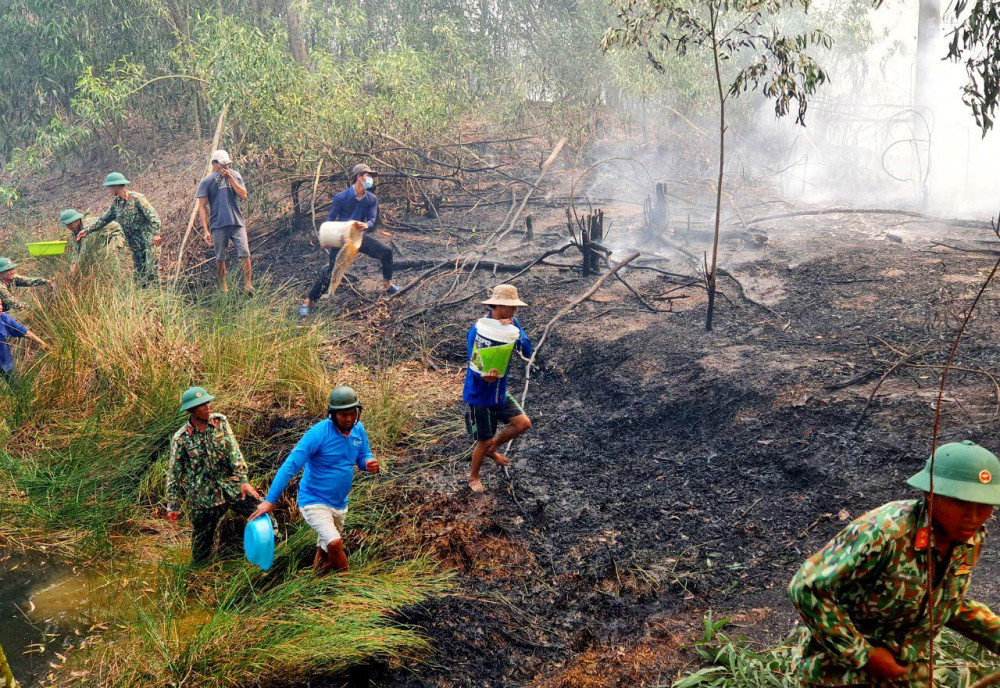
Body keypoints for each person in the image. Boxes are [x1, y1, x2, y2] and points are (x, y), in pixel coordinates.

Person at [789, 440, 1000, 687]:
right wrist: (863, 655)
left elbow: (945, 601)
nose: (973, 518)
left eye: (984, 506)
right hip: (838, 671)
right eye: (961, 504)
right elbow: (805, 588)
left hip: (905, 670)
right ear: (930, 495)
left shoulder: (970, 538)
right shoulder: (884, 533)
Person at [248, 386, 381, 573]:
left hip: (340, 503)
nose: (349, 419)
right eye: (344, 415)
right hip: (313, 501)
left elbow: (362, 456)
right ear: (333, 414)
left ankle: (315, 578)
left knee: (326, 550)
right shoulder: (318, 434)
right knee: (334, 543)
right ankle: (347, 584)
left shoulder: (358, 430)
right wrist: (270, 501)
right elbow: (290, 466)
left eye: (353, 413)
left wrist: (368, 464)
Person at [165, 386, 262, 566]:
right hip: (203, 499)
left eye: (207, 402)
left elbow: (234, 452)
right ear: (191, 411)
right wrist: (173, 505)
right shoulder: (181, 438)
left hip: (231, 488)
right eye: (201, 405)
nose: (207, 407)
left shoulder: (220, 422)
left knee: (262, 512)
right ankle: (199, 581)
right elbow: (174, 474)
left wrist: (244, 481)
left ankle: (267, 560)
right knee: (202, 550)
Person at [299, 163, 398, 316]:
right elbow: (330, 219)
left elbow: (372, 221)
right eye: (368, 175)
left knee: (386, 252)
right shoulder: (341, 197)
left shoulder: (371, 198)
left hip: (359, 236)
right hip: (341, 238)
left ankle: (387, 285)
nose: (371, 179)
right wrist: (325, 238)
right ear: (359, 177)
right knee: (332, 272)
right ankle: (308, 301)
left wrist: (365, 225)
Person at [463, 284, 532, 493]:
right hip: (480, 394)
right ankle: (473, 477)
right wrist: (485, 376)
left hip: (500, 391)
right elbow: (473, 360)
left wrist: (515, 330)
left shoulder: (513, 324)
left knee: (523, 423)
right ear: (499, 305)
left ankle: (494, 447)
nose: (515, 311)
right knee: (482, 442)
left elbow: (527, 350)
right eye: (511, 307)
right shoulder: (479, 330)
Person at [76, 172, 161, 287]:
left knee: (152, 273)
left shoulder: (136, 198)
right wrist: (86, 231)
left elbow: (153, 216)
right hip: (135, 245)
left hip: (149, 242)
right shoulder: (116, 204)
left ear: (116, 186)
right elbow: (103, 220)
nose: (109, 190)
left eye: (109, 188)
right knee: (139, 274)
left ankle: (157, 299)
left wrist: (156, 234)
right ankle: (144, 299)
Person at [196, 150, 252, 292]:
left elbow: (244, 195)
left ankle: (248, 285)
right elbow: (202, 207)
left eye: (227, 164)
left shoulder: (235, 175)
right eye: (222, 165)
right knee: (220, 256)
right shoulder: (207, 182)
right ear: (214, 164)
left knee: (245, 253)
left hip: (236, 222)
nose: (225, 167)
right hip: (218, 224)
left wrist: (231, 179)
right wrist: (206, 229)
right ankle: (223, 287)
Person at [58, 208, 125, 276]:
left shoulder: (88, 228)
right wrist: (72, 266)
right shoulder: (74, 232)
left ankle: (115, 277)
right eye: (67, 225)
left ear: (77, 220)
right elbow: (75, 250)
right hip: (101, 235)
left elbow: (84, 251)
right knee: (96, 256)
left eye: (70, 224)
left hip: (114, 232)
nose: (68, 227)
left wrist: (75, 270)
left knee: (110, 255)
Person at [0, 301, 48, 383]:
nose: (1, 307)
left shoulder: (4, 318)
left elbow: (23, 331)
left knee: (13, 388)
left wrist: (41, 342)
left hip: (6, 366)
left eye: (0, 304)